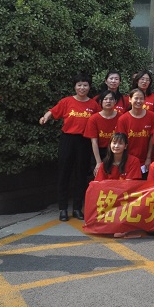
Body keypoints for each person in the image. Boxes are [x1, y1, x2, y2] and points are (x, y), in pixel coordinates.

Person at [40, 73, 100, 221]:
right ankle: (63, 209)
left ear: (89, 87)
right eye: (79, 85)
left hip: (85, 142)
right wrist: (45, 117)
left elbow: (100, 118)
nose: (82, 88)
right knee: (64, 173)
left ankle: (77, 208)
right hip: (68, 140)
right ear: (75, 87)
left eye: (85, 85)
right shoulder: (67, 101)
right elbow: (53, 111)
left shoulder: (93, 105)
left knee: (81, 175)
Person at [115, 88, 154, 175]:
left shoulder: (151, 116)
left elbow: (152, 138)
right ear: (130, 99)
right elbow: (121, 141)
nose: (138, 101)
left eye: (141, 98)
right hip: (128, 160)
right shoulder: (123, 119)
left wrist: (148, 157)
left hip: (147, 160)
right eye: (136, 98)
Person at [85, 89, 120, 177]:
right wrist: (98, 162)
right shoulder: (94, 119)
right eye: (105, 99)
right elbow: (94, 141)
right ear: (100, 102)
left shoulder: (121, 117)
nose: (108, 101)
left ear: (115, 102)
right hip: (99, 151)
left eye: (111, 99)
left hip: (116, 151)